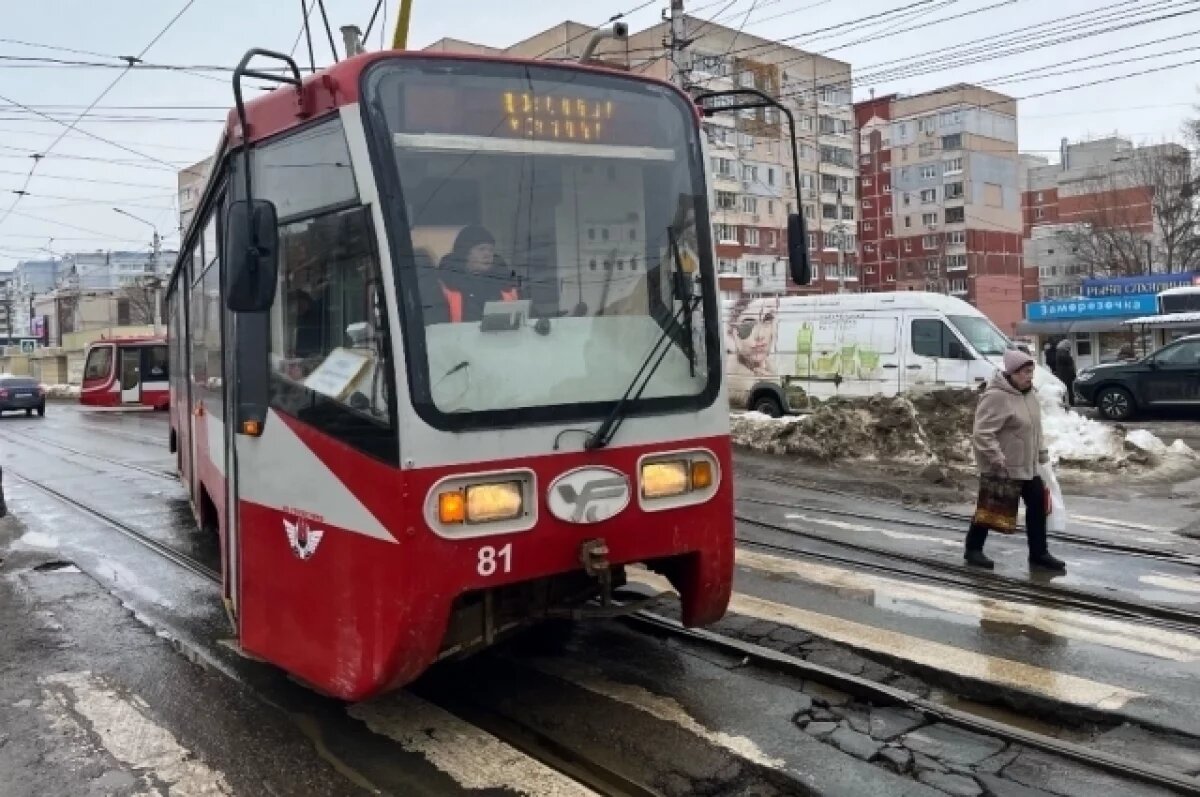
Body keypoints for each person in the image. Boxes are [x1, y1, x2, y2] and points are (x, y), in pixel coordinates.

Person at [966, 349, 1067, 572]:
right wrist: (996, 457)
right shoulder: (996, 396)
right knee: (990, 508)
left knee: (1038, 506)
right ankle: (973, 549)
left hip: (1028, 464)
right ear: (1011, 373)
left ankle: (1039, 553)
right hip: (1002, 465)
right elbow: (982, 432)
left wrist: (1041, 453)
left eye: (1031, 371)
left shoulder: (1029, 394)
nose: (1029, 376)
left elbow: (1035, 428)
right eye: (1024, 372)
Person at [429, 225, 521, 324]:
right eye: (481, 249)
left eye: (491, 250)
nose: (487, 254)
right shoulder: (445, 285)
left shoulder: (506, 283)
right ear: (464, 253)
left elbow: (529, 316)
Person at [725, 295, 779, 377]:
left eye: (767, 319)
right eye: (747, 324)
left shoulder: (770, 365)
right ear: (732, 332)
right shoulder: (731, 375)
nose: (760, 335)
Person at [1053, 338, 1076, 405]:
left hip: (1063, 373)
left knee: (1066, 388)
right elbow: (1068, 362)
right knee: (1067, 389)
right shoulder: (1062, 353)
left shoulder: (1060, 352)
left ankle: (1068, 402)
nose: (1070, 348)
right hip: (1065, 374)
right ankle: (1070, 403)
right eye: (1069, 346)